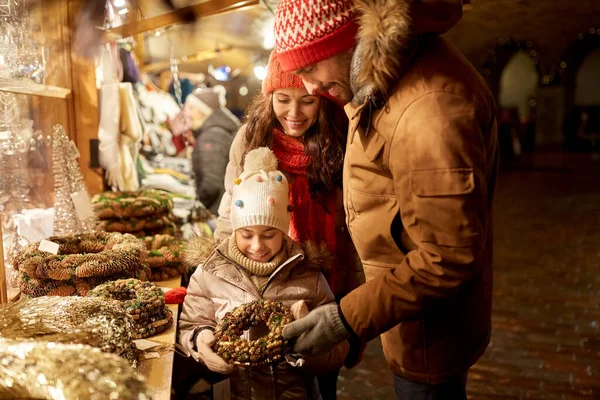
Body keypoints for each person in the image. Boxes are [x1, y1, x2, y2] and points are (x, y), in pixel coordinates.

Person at [274, 0, 499, 398]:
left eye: (311, 69)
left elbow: (447, 257)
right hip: (408, 310)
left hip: (431, 329)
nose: (310, 88)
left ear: (352, 42)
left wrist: (344, 318)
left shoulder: (428, 110)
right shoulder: (384, 79)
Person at [215, 51, 365, 399]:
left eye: (307, 101)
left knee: (324, 368)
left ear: (322, 100)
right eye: (283, 100)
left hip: (328, 273)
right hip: (267, 271)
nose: (293, 114)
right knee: (270, 369)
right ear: (269, 98)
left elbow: (355, 218)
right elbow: (230, 209)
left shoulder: (339, 140)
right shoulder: (251, 138)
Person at [179, 147, 349, 399]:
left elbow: (338, 350)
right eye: (246, 235)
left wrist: (305, 346)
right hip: (232, 393)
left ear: (284, 231)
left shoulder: (309, 277)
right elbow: (190, 326)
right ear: (234, 229)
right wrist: (200, 340)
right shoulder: (210, 274)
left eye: (269, 235)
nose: (257, 246)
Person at [191, 87, 241, 215]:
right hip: (223, 206)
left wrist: (198, 206)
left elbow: (211, 183)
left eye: (192, 109)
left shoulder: (212, 136)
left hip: (217, 210)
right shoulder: (217, 129)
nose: (189, 114)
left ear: (203, 111)